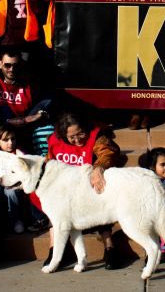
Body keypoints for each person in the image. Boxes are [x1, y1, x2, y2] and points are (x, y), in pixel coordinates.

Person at [45, 112, 126, 269]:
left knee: (99, 198)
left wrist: (98, 168)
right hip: (66, 190)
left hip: (90, 186)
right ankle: (54, 250)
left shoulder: (97, 136)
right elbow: (49, 162)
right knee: (54, 209)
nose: (77, 140)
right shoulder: (54, 141)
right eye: (72, 137)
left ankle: (110, 248)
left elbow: (108, 152)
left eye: (80, 133)